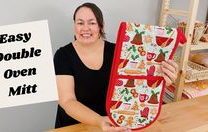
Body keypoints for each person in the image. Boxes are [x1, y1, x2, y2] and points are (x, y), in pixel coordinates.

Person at [54, 2, 178, 132]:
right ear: (75, 26)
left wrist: (162, 79)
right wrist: (99, 121)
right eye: (80, 23)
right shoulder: (63, 55)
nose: (85, 28)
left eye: (92, 23)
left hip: (111, 126)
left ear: (102, 26)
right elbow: (67, 101)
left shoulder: (120, 52)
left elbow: (139, 85)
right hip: (73, 127)